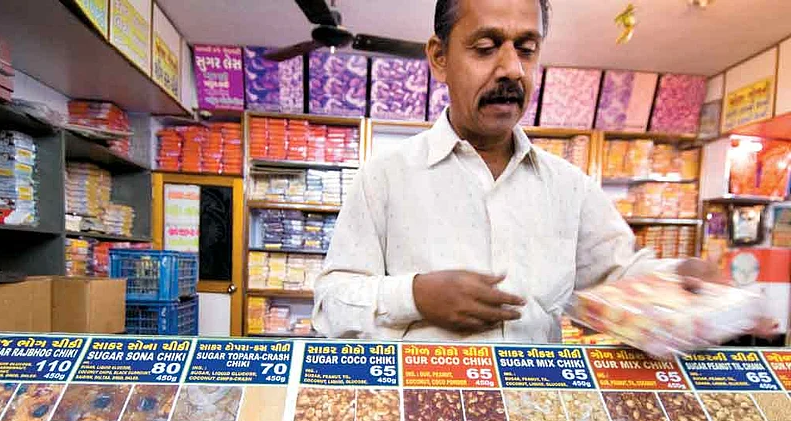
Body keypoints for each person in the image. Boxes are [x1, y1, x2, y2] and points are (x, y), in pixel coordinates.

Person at [312, 0, 768, 347]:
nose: (512, 69)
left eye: (526, 50)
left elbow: (620, 276)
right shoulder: (385, 177)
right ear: (439, 58)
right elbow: (330, 305)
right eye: (486, 48)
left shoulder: (570, 189)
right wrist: (416, 296)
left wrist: (679, 279)